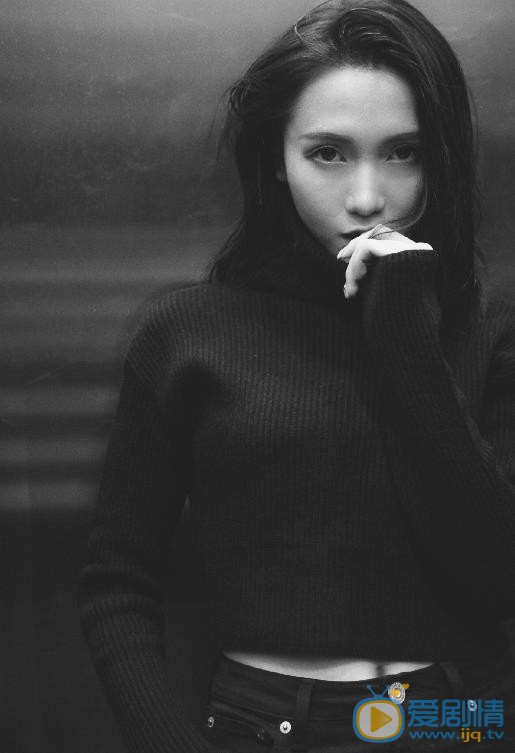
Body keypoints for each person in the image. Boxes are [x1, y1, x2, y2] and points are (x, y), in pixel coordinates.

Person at [77, 0, 515, 751]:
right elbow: (116, 581)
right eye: (328, 153)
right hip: (264, 723)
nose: (368, 198)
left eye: (403, 152)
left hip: (460, 716)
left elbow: (498, 576)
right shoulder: (189, 333)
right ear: (276, 158)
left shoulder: (485, 331)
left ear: (439, 158)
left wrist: (405, 336)